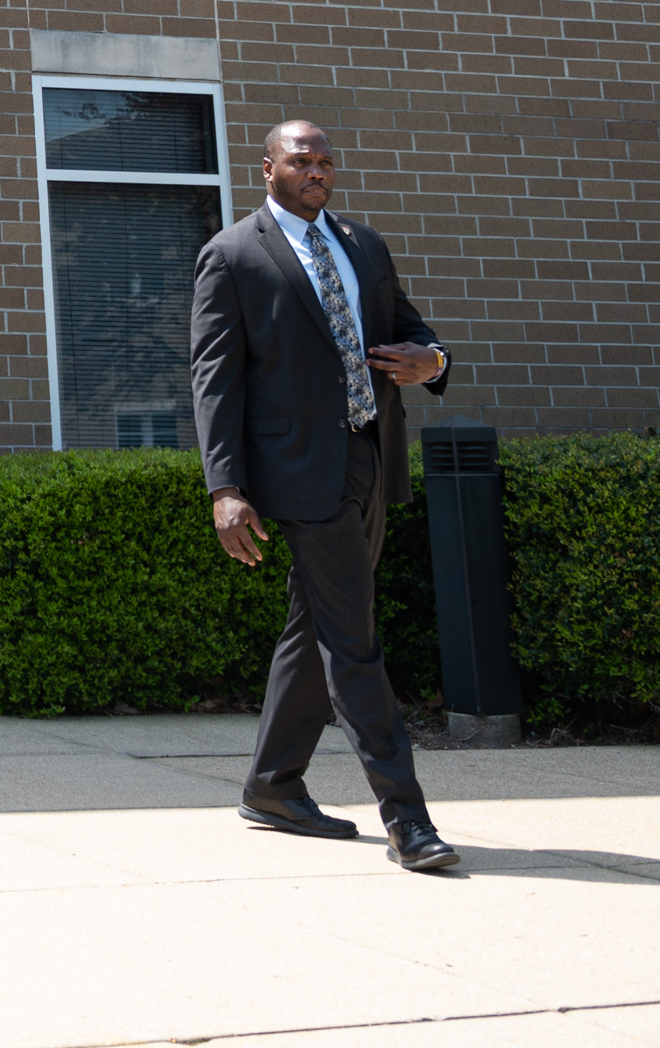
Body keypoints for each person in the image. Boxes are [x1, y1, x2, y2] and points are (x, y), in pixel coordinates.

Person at [191, 120, 459, 874]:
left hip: (370, 459)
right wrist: (225, 487)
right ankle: (408, 820)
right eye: (300, 160)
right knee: (353, 639)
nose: (316, 171)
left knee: (318, 623)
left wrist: (432, 361)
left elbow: (413, 334)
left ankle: (272, 785)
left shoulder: (364, 246)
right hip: (299, 472)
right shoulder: (234, 256)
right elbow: (216, 382)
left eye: (325, 161)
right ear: (267, 168)